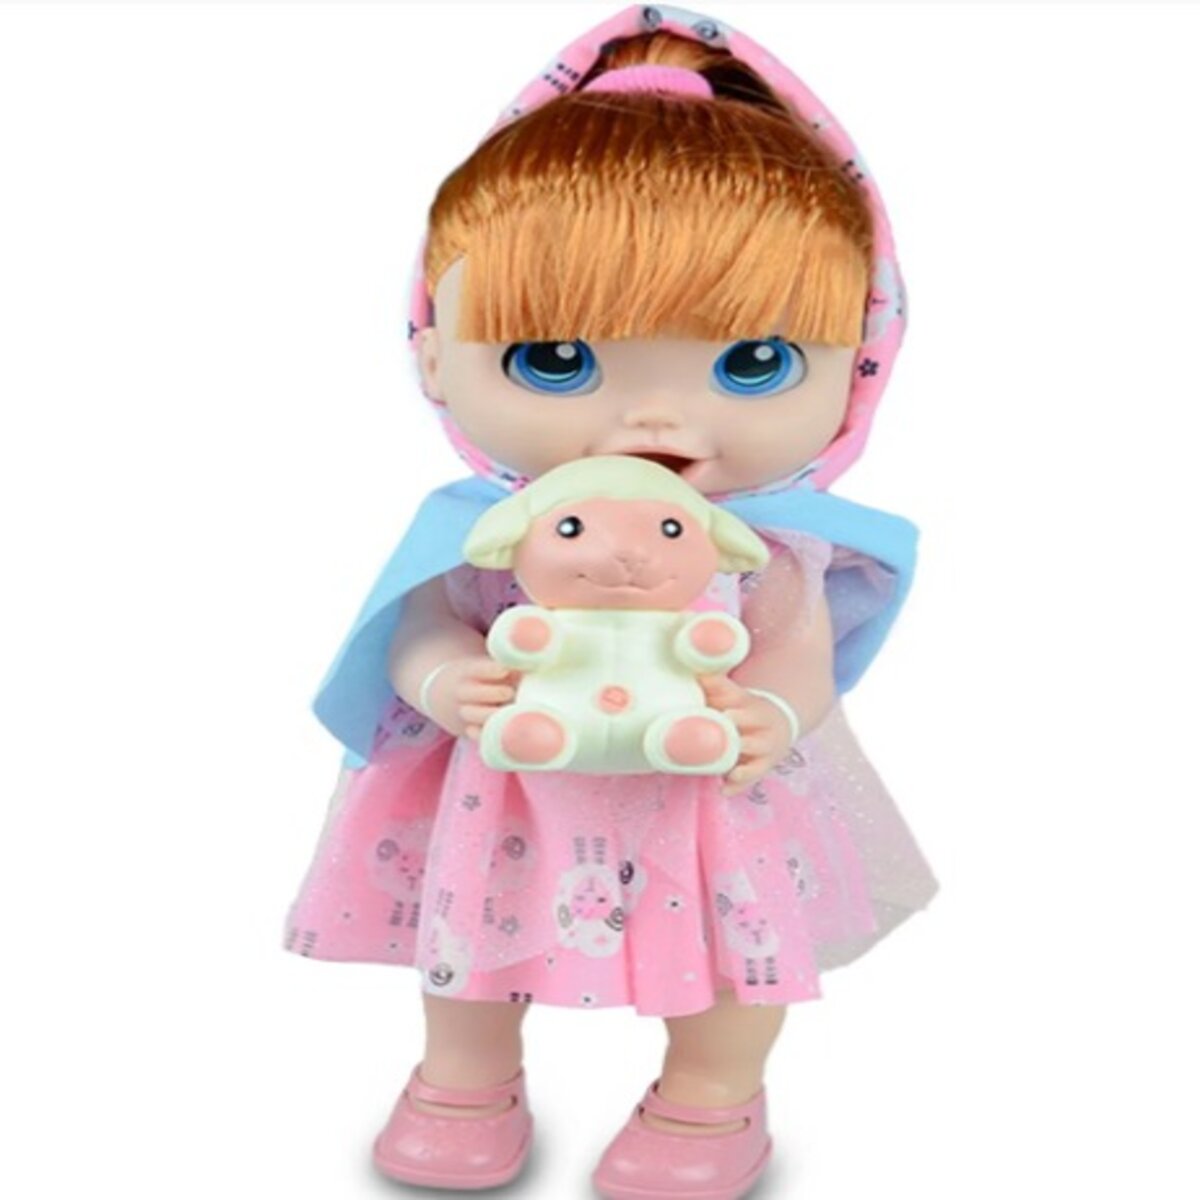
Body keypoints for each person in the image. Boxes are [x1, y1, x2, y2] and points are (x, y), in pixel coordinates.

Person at [284, 6, 938, 1197]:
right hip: (510, 786)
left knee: (739, 959)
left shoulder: (767, 548)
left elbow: (796, 655)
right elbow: (421, 619)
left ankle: (711, 1098)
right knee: (471, 946)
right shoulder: (487, 529)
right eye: (555, 360)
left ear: (861, 361)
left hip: (712, 793)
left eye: (752, 363)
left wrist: (770, 715)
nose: (654, 420)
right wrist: (444, 676)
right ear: (433, 355)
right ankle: (465, 1078)